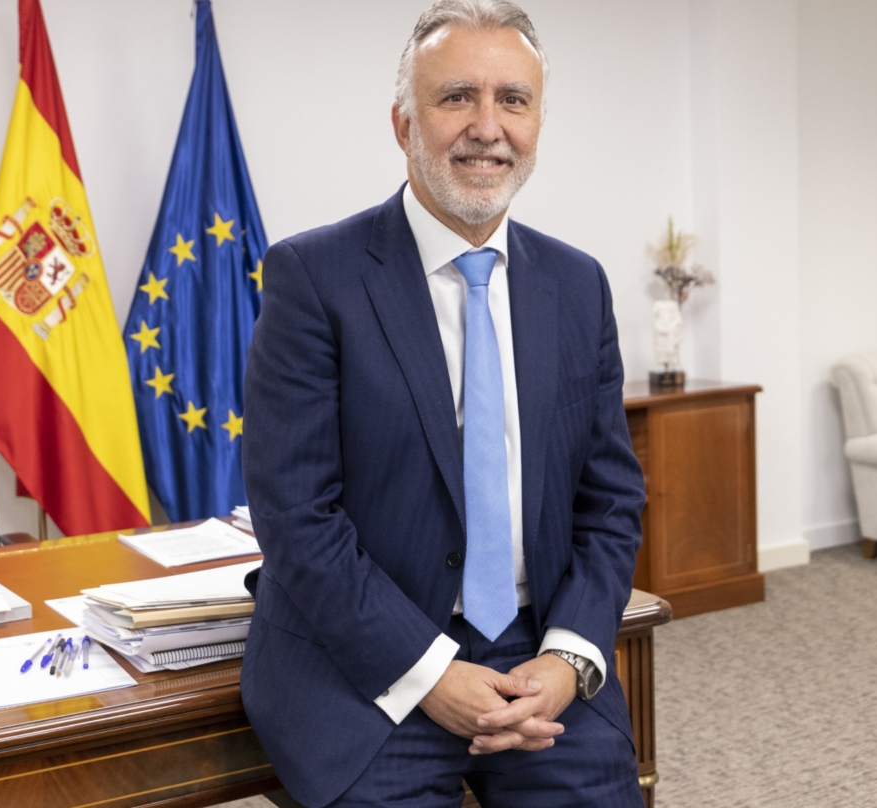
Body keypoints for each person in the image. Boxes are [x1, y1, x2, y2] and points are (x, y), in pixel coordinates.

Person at [240, 1, 646, 805]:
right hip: (367, 670)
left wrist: (566, 661)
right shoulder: (313, 279)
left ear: (537, 124)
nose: (487, 127)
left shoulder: (577, 286)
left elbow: (611, 502)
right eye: (456, 96)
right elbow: (296, 516)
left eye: (514, 101)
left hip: (537, 658)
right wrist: (428, 673)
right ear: (402, 123)